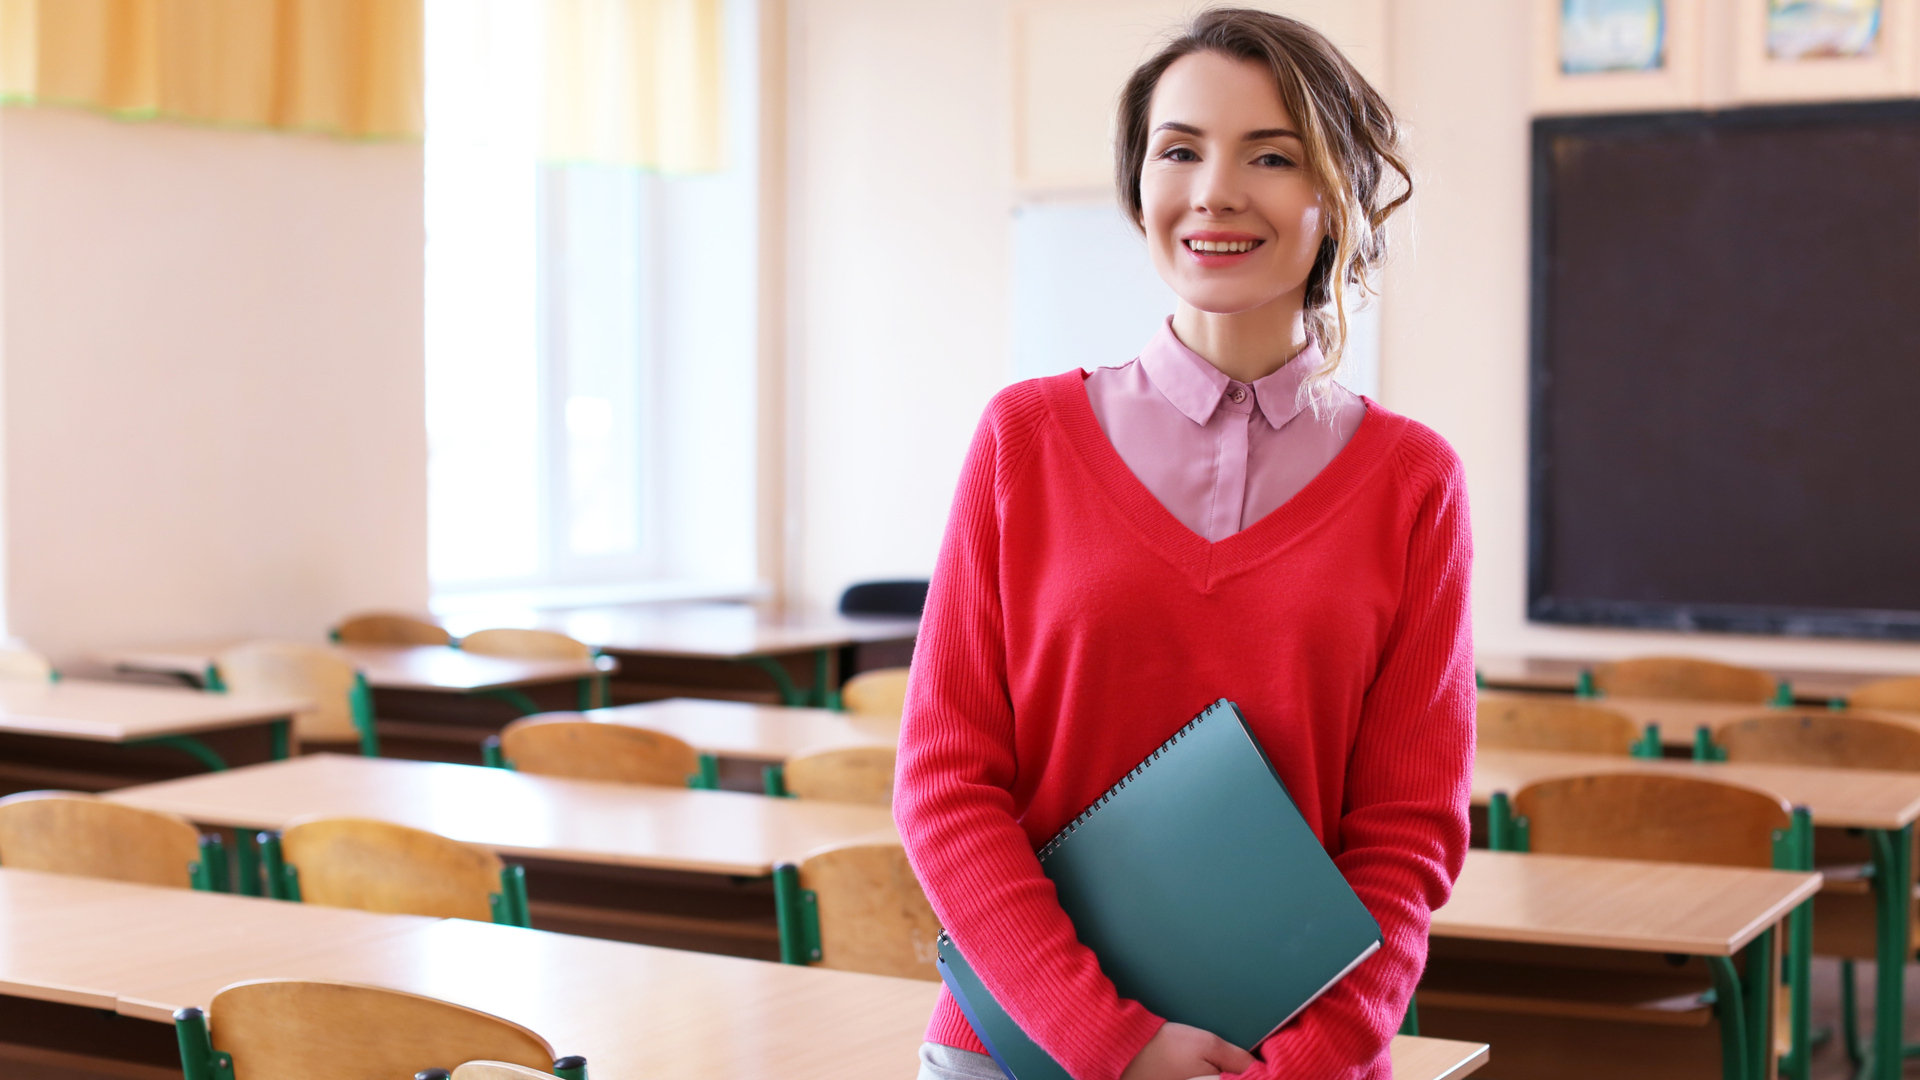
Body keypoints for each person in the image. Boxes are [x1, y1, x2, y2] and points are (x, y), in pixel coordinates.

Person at [895, 8, 1472, 1080]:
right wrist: (1115, 1044)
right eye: (1180, 150)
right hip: (1024, 1051)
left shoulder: (1414, 482)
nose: (1214, 190)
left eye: (1271, 155)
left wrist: (1309, 1059)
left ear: (1335, 195)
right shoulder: (1025, 438)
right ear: (1138, 186)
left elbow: (1407, 835)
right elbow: (945, 786)